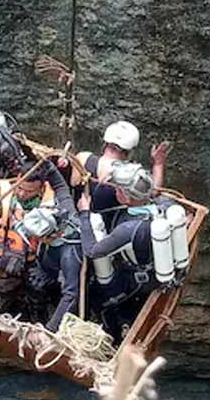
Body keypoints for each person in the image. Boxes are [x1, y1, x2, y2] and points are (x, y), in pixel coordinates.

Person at [77, 162, 170, 341]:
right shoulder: (163, 204)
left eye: (118, 190)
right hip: (153, 269)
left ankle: (115, 339)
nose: (115, 192)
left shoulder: (128, 229)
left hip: (136, 282)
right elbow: (157, 189)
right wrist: (158, 163)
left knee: (100, 301)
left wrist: (84, 214)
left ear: (126, 196)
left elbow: (92, 251)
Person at [0, 164, 55, 316]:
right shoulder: (1, 197)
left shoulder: (52, 206)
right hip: (3, 262)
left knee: (38, 299)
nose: (21, 193)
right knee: (0, 300)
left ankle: (36, 320)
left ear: (41, 189)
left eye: (29, 191)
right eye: (20, 187)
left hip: (35, 265)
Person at [71, 121, 171, 222]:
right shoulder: (128, 177)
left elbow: (72, 184)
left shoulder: (82, 158)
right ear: (129, 152)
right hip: (109, 230)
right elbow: (152, 192)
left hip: (79, 220)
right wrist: (158, 164)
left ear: (105, 143)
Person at [16, 206, 85, 331]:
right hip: (49, 276)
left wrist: (50, 329)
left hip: (68, 285)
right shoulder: (48, 239)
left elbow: (71, 295)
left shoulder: (70, 255)